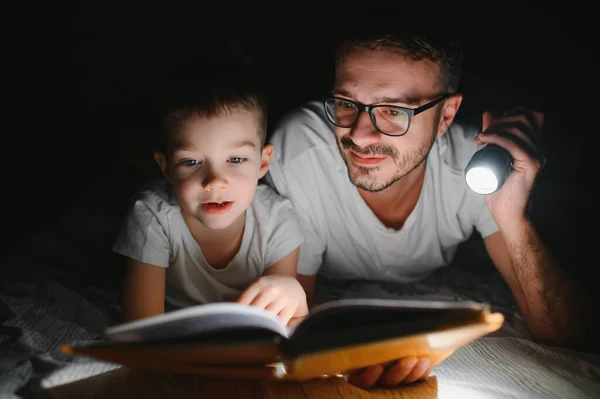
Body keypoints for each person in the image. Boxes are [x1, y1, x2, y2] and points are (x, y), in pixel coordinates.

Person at [265, 33, 587, 388]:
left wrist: (511, 216)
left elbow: (562, 336)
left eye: (393, 111)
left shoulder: (471, 165)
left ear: (446, 114)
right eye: (346, 103)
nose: (360, 134)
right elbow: (295, 317)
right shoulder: (300, 151)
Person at [112, 70, 308, 326]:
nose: (214, 181)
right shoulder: (153, 214)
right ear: (166, 168)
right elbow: (142, 329)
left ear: (263, 162)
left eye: (236, 159)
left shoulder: (277, 221)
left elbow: (279, 322)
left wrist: (292, 293)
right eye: (191, 161)